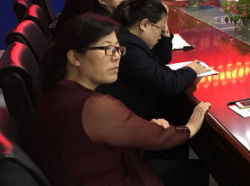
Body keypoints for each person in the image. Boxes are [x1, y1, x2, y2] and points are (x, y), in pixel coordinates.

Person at [27, 13, 211, 186]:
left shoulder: (57, 88)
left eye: (117, 49)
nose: (116, 57)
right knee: (196, 170)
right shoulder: (95, 106)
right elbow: (158, 137)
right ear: (74, 57)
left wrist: (149, 129)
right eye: (107, 49)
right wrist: (191, 127)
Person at [97, 0, 209, 120]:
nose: (162, 35)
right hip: (134, 117)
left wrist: (163, 26)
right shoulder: (128, 47)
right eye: (161, 29)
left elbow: (162, 58)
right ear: (144, 24)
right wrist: (192, 70)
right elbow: (168, 84)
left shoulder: (129, 38)